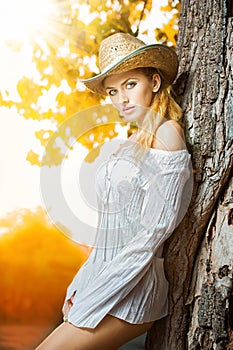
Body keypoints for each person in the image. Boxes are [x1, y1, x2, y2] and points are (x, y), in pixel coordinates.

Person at [35, 32, 193, 350]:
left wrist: (98, 293)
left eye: (130, 85)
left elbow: (151, 234)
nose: (121, 99)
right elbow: (112, 230)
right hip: (105, 280)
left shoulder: (168, 133)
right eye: (112, 91)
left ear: (155, 82)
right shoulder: (130, 145)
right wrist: (82, 282)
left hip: (132, 289)